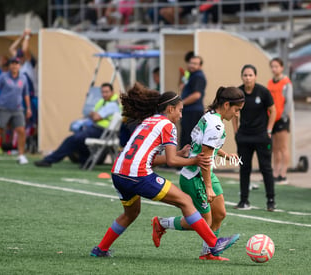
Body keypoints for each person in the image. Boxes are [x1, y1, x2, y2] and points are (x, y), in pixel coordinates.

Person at [90, 83, 240, 257]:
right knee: (185, 201)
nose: (181, 115)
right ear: (170, 109)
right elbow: (171, 161)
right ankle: (213, 244)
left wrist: (179, 154)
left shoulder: (149, 121)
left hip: (118, 172)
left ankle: (100, 249)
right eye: (180, 110)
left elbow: (149, 157)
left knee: (131, 213)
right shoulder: (168, 126)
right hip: (138, 175)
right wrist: (193, 160)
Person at [151, 86, 245, 261]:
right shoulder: (215, 124)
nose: (237, 114)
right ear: (226, 105)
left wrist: (224, 155)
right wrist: (208, 187)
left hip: (205, 173)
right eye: (236, 110)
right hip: (195, 176)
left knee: (220, 214)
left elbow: (205, 146)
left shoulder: (211, 116)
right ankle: (161, 223)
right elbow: (205, 158)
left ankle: (208, 253)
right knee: (204, 221)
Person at [34, 83, 120, 167]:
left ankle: (49, 160)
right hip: (95, 129)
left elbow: (95, 117)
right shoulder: (102, 102)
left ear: (112, 92)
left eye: (106, 92)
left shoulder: (112, 105)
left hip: (103, 131)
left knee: (73, 139)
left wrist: (95, 115)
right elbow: (90, 113)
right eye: (102, 92)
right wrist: (95, 115)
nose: (104, 94)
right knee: (79, 139)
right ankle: (85, 161)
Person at [232, 64, 277, 211]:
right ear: (242, 77)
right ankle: (244, 200)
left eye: (250, 75)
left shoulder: (263, 92)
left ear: (255, 77)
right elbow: (234, 113)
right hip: (244, 137)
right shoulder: (238, 93)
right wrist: (236, 132)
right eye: (245, 75)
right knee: (244, 169)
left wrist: (269, 130)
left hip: (261, 136)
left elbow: (273, 111)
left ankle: (271, 200)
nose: (247, 78)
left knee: (266, 168)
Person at [0, 57, 31, 164]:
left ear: (19, 66)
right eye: (12, 64)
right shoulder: (3, 77)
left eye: (16, 64)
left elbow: (26, 94)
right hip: (3, 108)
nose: (14, 66)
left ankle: (21, 155)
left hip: (18, 109)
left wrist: (29, 108)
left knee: (21, 131)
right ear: (9, 66)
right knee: (0, 130)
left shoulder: (23, 78)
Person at [267, 57, 293, 185]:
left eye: (277, 66)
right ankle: (275, 172)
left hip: (282, 118)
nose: (274, 69)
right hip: (272, 118)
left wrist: (284, 116)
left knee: (283, 147)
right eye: (272, 66)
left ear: (282, 67)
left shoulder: (286, 82)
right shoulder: (270, 83)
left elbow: (288, 101)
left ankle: (283, 173)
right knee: (275, 148)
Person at [180, 55, 206, 149]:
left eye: (195, 64)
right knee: (185, 136)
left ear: (200, 66)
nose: (192, 65)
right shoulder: (190, 74)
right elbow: (182, 86)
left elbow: (196, 95)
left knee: (189, 138)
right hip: (188, 111)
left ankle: (187, 161)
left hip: (193, 112)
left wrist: (181, 103)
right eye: (191, 63)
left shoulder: (198, 76)